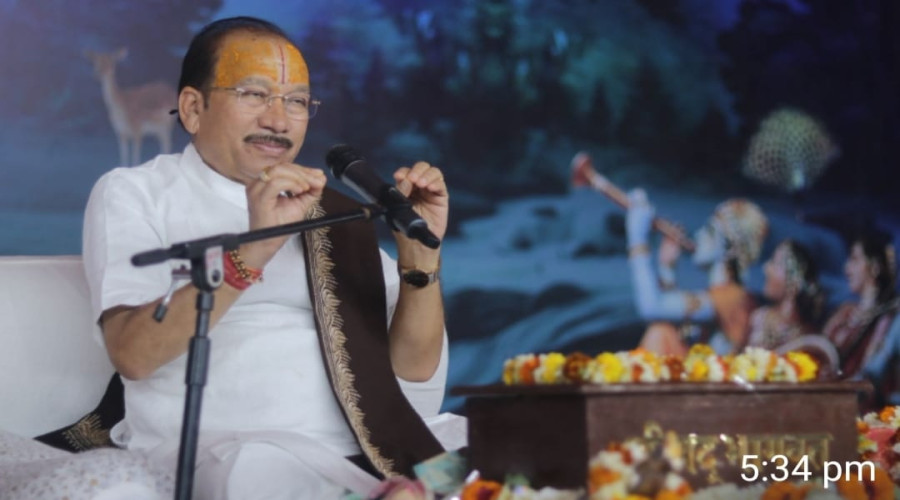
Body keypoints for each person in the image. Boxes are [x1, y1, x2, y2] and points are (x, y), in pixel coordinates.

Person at [82, 16, 456, 500]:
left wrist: (420, 258)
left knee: (509, 452)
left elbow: (415, 382)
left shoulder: (333, 215)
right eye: (254, 94)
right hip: (230, 454)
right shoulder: (137, 193)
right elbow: (132, 355)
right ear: (193, 108)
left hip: (370, 449)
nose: (278, 121)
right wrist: (254, 247)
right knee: (260, 472)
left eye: (297, 101)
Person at [626, 191, 768, 357]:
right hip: (703, 370)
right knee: (663, 331)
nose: (700, 235)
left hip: (714, 373)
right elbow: (675, 320)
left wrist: (637, 238)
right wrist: (667, 269)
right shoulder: (726, 293)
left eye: (710, 231)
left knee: (659, 333)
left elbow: (651, 307)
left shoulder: (731, 297)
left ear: (730, 250)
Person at [822, 230, 898, 380]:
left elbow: (872, 373)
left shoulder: (888, 319)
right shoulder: (845, 313)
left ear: (875, 267)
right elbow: (820, 350)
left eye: (855, 259)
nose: (847, 269)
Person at [747, 239, 825, 350]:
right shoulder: (759, 318)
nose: (766, 268)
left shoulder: (804, 338)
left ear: (794, 283)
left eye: (774, 263)